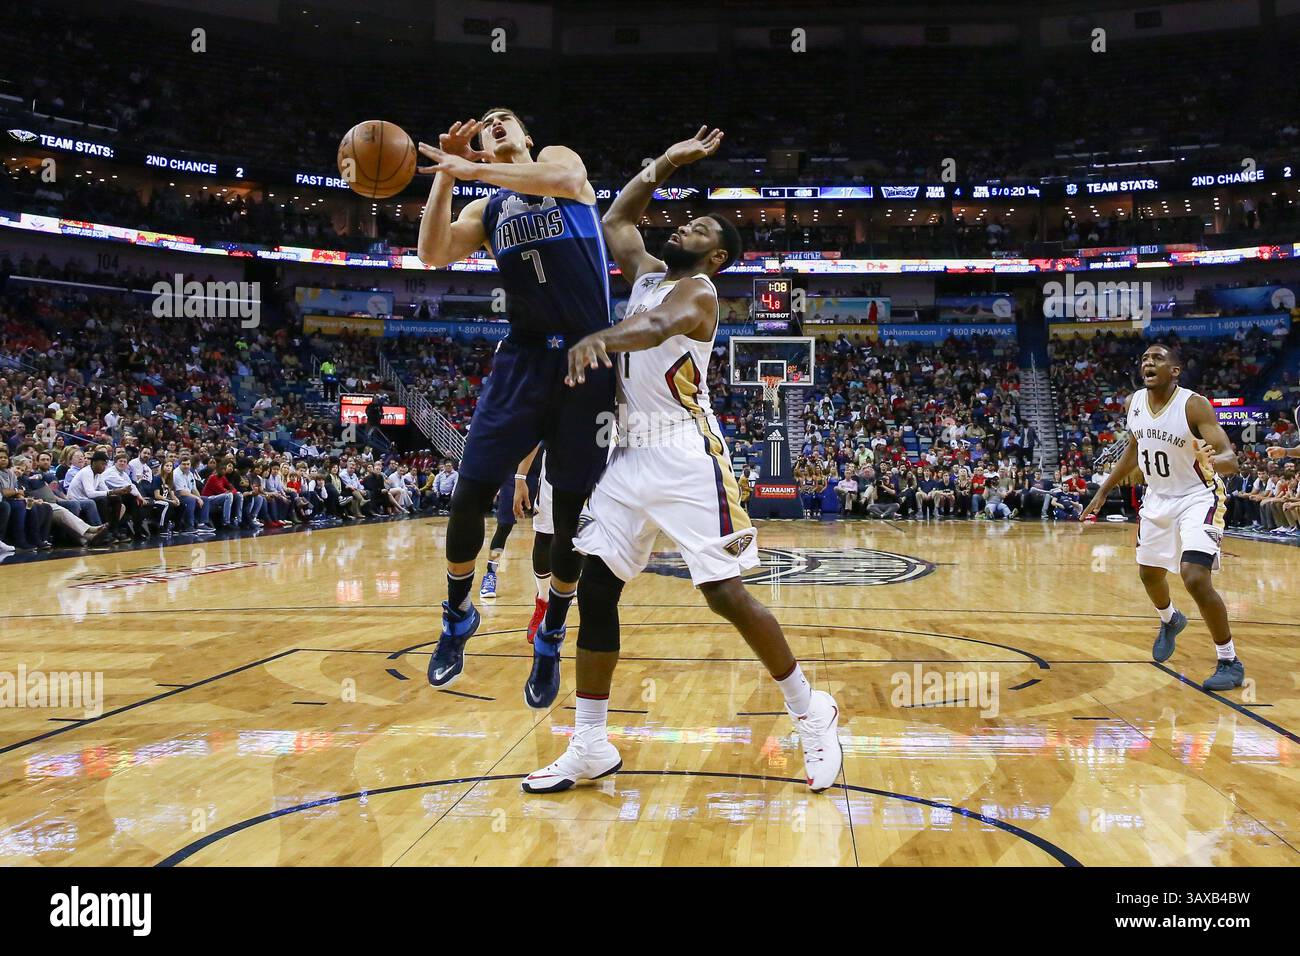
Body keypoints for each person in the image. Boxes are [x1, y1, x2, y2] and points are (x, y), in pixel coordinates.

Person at [523, 127, 842, 794]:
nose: (683, 228)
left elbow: (654, 329)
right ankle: (589, 744)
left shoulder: (698, 294)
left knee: (723, 594)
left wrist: (597, 340)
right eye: (686, 219)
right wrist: (663, 161)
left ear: (717, 255)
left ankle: (811, 711)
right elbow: (617, 218)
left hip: (686, 456)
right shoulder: (646, 276)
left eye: (698, 229)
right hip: (630, 454)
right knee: (598, 586)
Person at [416, 108, 615, 703]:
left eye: (508, 120)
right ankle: (456, 616)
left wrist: (471, 165)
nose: (498, 124)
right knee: (470, 491)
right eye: (488, 123)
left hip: (588, 358)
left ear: (527, 136)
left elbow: (553, 182)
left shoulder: (562, 161)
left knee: (571, 512)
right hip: (523, 361)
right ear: (479, 142)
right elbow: (432, 254)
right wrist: (447, 177)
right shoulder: (486, 209)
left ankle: (551, 631)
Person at [1082, 344, 1244, 691]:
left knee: (1195, 577)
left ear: (1175, 370)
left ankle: (1229, 659)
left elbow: (1231, 456)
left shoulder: (1193, 404)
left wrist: (1215, 460)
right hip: (1157, 499)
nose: (1148, 363)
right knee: (1149, 574)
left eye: (1158, 358)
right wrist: (1103, 490)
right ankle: (1170, 620)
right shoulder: (1134, 403)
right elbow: (1134, 450)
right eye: (1144, 359)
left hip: (1198, 496)